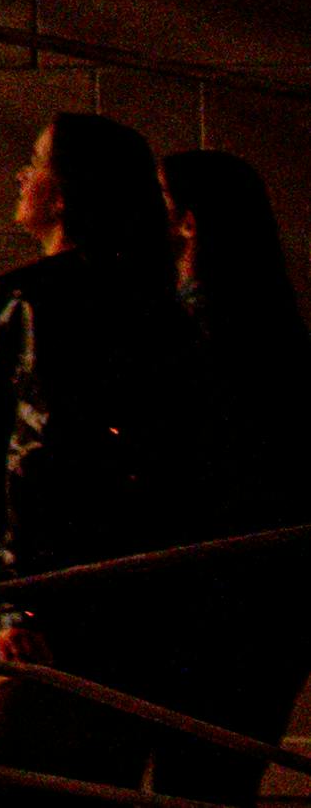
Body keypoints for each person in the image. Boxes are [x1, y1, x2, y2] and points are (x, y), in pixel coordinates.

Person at [0, 111, 206, 808]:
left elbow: (33, 451)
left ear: (65, 193)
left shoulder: (47, 300)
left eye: (36, 161)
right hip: (134, 599)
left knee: (17, 772)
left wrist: (19, 603)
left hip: (61, 599)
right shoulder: (155, 301)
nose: (22, 175)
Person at [157, 150, 310, 802]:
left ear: (188, 223)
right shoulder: (265, 326)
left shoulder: (203, 329)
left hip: (221, 600)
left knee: (196, 778)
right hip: (258, 600)